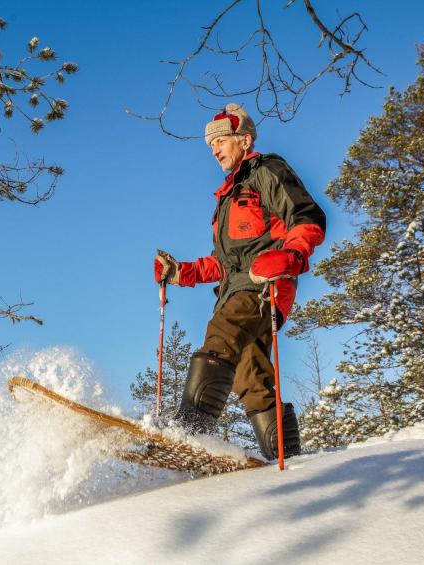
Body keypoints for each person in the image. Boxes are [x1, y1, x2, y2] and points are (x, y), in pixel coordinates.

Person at [154, 103, 326, 460]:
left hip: (264, 286)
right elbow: (223, 264)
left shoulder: (267, 170)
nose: (214, 149)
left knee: (222, 335)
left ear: (244, 140)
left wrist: (291, 256)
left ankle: (188, 436)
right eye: (211, 145)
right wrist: (179, 272)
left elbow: (307, 217)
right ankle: (288, 458)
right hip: (236, 289)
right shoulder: (227, 199)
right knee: (250, 372)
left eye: (220, 140)